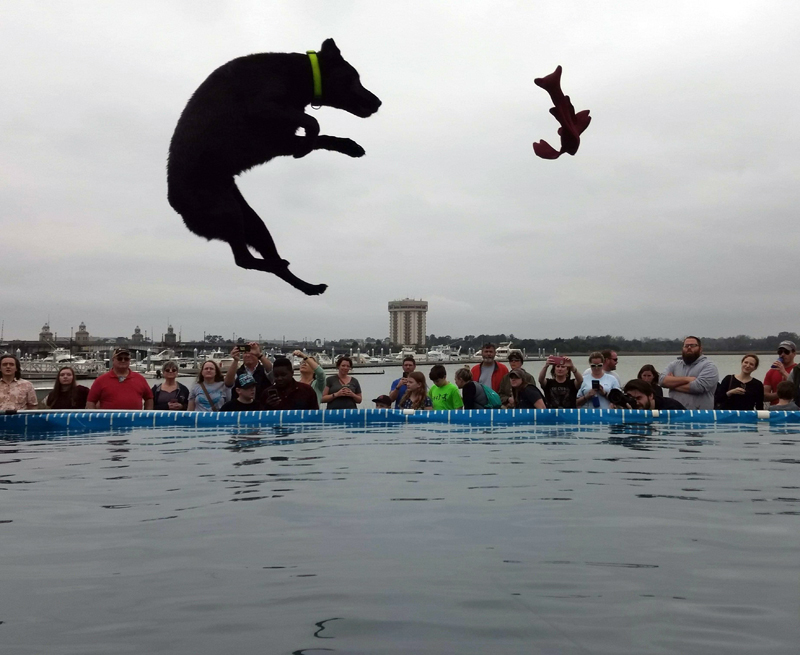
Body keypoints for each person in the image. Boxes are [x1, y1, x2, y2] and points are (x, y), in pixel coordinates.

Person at [659, 336, 719, 410]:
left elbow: (698, 387)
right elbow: (661, 381)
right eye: (686, 346)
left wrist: (671, 384)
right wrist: (688, 379)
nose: (689, 348)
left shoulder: (709, 366)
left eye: (693, 345)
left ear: (700, 349)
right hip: (676, 414)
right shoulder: (674, 365)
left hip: (700, 416)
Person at [86, 348, 154, 410]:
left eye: (126, 359)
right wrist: (94, 418)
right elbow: (91, 402)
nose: (123, 360)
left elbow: (149, 399)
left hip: (134, 422)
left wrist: (146, 416)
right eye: (120, 358)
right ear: (113, 360)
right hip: (108, 422)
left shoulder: (140, 379)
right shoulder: (100, 380)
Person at [763, 340, 797, 406]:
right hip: (776, 410)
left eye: (786, 352)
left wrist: (784, 372)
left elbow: (797, 390)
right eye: (780, 352)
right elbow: (764, 396)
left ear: (794, 354)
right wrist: (781, 394)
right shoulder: (771, 371)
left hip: (794, 410)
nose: (782, 355)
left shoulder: (797, 370)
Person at [621, 380, 686, 410]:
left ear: (650, 396)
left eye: (639, 398)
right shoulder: (629, 407)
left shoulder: (671, 407)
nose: (636, 402)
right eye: (631, 399)